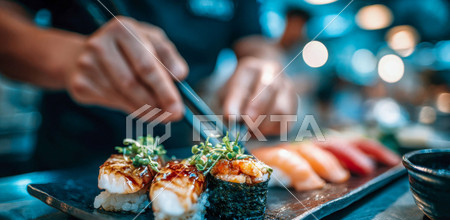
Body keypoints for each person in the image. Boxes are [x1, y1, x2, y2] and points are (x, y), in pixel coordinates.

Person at [0, 0, 297, 170]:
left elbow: (255, 39)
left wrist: (269, 64)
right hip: (70, 152)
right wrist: (71, 57)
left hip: (181, 147)